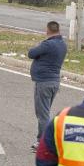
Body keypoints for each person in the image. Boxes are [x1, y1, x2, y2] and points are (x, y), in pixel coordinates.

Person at [28, 21, 68, 150]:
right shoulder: (62, 44)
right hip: (54, 82)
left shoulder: (48, 44)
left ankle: (44, 143)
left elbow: (31, 53)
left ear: (48, 30)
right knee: (45, 112)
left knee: (42, 115)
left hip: (44, 82)